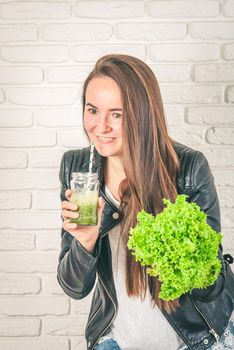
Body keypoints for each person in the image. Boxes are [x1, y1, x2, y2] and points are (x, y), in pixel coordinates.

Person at [57, 54, 234, 350]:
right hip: (117, 341)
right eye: (92, 110)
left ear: (142, 114)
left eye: (117, 114)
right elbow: (74, 288)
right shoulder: (79, 169)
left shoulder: (188, 168)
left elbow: (211, 287)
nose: (101, 127)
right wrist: (85, 242)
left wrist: (181, 250)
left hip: (197, 340)